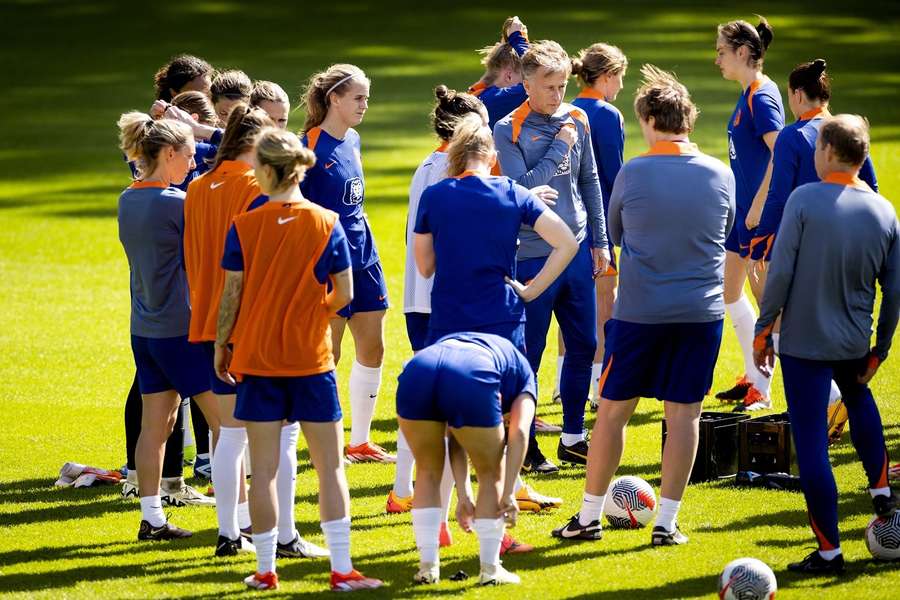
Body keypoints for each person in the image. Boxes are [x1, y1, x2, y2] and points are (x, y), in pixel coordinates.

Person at [553, 65, 735, 547]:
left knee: (612, 412)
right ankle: (666, 524)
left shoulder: (633, 173)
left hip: (640, 314)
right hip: (702, 313)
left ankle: (588, 517)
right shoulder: (721, 173)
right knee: (685, 416)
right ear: (689, 121)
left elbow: (613, 234)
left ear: (650, 121)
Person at [214, 128, 383, 592]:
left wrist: (221, 344)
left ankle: (266, 571)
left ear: (268, 171)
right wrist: (313, 313)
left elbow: (231, 294)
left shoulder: (245, 225)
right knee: (330, 467)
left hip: (258, 360)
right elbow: (345, 294)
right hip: (312, 361)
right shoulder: (327, 222)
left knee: (263, 470)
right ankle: (342, 569)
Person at [753, 115, 899, 574]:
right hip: (855, 341)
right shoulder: (884, 210)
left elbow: (781, 274)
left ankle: (829, 553)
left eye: (817, 148)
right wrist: (882, 348)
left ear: (830, 152)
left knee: (813, 443)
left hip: (805, 345)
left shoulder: (803, 200)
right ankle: (881, 493)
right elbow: (893, 292)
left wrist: (763, 327)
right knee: (859, 398)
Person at [494, 40, 610, 472]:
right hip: (533, 256)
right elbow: (519, 188)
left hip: (577, 251)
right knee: (532, 351)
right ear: (526, 83)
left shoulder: (577, 117)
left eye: (562, 86)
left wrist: (601, 240)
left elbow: (590, 180)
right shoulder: (508, 129)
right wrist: (560, 146)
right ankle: (524, 445)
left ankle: (574, 436)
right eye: (548, 86)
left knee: (585, 343)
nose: (558, 95)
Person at [751, 59, 879, 441]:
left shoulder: (793, 136)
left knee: (793, 331)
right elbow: (871, 190)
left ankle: (826, 403)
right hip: (853, 252)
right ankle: (844, 405)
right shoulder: (849, 131)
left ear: (795, 94)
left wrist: (761, 242)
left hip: (804, 250)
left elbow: (778, 197)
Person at [117, 112, 218, 540]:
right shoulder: (177, 203)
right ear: (170, 153)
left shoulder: (128, 198)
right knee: (229, 425)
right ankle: (244, 523)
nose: (194, 165)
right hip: (182, 330)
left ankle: (152, 518)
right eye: (190, 156)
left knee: (154, 427)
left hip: (145, 330)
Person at [392, 85, 487, 525]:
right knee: (443, 409)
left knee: (427, 401)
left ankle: (401, 490)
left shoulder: (428, 166)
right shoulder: (443, 175)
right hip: (437, 302)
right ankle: (446, 502)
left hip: (423, 301)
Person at [300, 64, 393, 463]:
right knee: (328, 354)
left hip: (364, 255)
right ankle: (328, 443)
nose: (364, 105)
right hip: (327, 263)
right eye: (357, 97)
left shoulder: (353, 139)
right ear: (333, 99)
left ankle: (360, 440)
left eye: (367, 98)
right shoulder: (307, 148)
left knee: (374, 347)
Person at [397, 332, 537, 586]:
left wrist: (464, 494)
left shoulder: (492, 355)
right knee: (490, 471)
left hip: (417, 369)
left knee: (427, 471)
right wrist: (508, 493)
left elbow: (455, 435)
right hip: (472, 373)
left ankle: (427, 568)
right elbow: (519, 433)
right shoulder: (525, 376)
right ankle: (490, 571)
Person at [714, 17, 784, 411]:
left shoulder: (761, 95)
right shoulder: (750, 91)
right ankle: (752, 375)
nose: (717, 59)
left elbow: (781, 150)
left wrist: (758, 206)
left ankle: (830, 398)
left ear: (743, 52)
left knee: (771, 308)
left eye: (721, 51)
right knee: (729, 292)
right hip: (742, 216)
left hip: (760, 219)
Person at [566, 42, 628, 410]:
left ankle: (565, 382)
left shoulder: (564, 108)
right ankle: (597, 386)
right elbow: (614, 175)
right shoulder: (607, 114)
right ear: (606, 77)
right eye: (619, 78)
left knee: (569, 303)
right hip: (598, 222)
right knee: (606, 304)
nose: (620, 86)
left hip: (562, 223)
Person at [469, 16, 530, 129]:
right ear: (509, 76)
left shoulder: (482, 95)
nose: (526, 81)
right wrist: (517, 39)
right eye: (524, 76)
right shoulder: (499, 98)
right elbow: (537, 78)